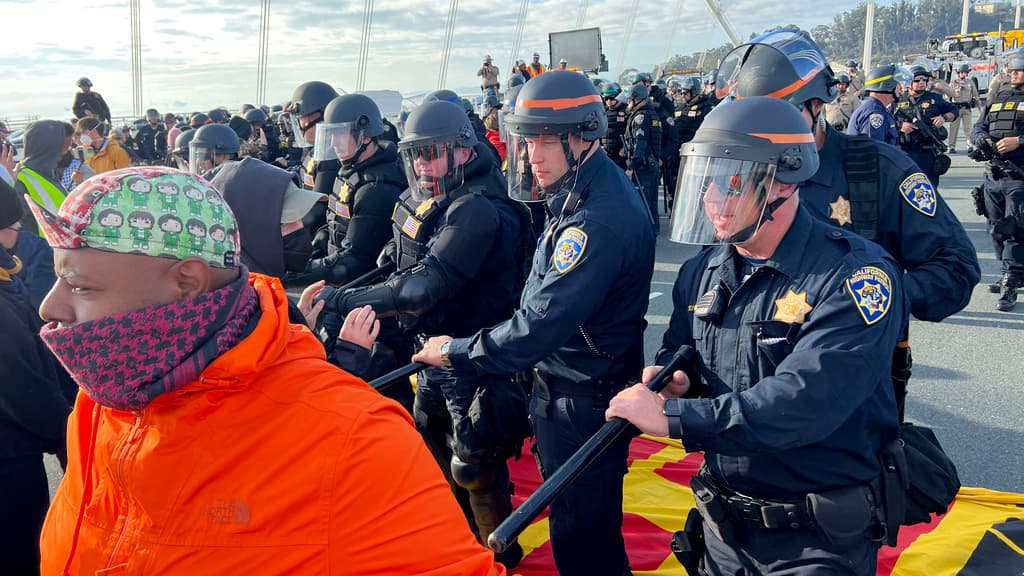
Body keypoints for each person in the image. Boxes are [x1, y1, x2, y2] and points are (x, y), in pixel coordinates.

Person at [28, 166, 508, 576]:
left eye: (80, 286)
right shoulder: (104, 401)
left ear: (188, 283)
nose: (51, 307)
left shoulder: (352, 441)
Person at [607, 95, 904, 576]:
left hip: (813, 538)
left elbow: (806, 399)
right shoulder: (704, 271)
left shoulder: (854, 276)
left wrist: (680, 418)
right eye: (707, 183)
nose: (712, 199)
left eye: (732, 182)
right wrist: (680, 379)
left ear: (784, 182)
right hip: (724, 526)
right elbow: (682, 348)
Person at [412, 71, 656, 576]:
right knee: (578, 528)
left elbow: (534, 330)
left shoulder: (596, 220)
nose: (531, 155)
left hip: (581, 399)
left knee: (584, 543)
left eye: (547, 140)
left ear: (583, 136)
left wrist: (453, 351)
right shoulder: (583, 192)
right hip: (570, 390)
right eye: (527, 140)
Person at [714, 29, 979, 419]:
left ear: (817, 105)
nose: (759, 135)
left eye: (776, 117)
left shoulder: (878, 170)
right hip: (746, 392)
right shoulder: (735, 169)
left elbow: (955, 268)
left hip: (849, 396)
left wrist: (868, 298)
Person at [315, 100, 532, 567]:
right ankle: (459, 540)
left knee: (473, 460)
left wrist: (338, 300)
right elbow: (391, 267)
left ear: (463, 152)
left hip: (475, 354)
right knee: (432, 440)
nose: (420, 165)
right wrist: (343, 290)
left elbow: (418, 289)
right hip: (431, 352)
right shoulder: (432, 197)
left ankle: (499, 552)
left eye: (431, 153)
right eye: (415, 154)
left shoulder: (477, 207)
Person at [0, 179, 72, 576]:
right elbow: (20, 383)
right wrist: (67, 432)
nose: (18, 236)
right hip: (8, 461)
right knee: (21, 552)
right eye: (12, 227)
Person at [286, 93, 406, 288]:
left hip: (360, 292)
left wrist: (286, 276)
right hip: (341, 280)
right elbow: (337, 225)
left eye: (340, 134)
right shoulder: (352, 170)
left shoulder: (376, 189)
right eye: (330, 134)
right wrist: (318, 243)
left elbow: (352, 262)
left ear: (365, 135)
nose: (333, 143)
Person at [970, 52, 1024, 311]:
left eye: (1019, 70)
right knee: (995, 229)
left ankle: (1010, 284)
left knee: (1014, 229)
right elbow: (978, 126)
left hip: (1018, 177)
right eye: (1012, 70)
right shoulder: (999, 97)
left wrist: (1019, 141)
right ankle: (1009, 271)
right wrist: (981, 138)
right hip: (992, 175)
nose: (1013, 74)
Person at [210, 157, 321, 278]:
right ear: (251, 230)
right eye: (284, 222)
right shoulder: (244, 295)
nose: (299, 226)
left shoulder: (248, 289)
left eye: (299, 219)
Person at [287, 81, 342, 238]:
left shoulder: (331, 155)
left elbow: (318, 207)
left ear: (322, 115)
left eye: (302, 118)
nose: (299, 124)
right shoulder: (315, 150)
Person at [893, 65, 958, 188]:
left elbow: (954, 111)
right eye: (917, 80)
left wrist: (943, 118)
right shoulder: (898, 100)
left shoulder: (934, 98)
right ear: (909, 82)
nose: (921, 82)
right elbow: (887, 121)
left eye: (924, 80)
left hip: (927, 152)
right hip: (905, 152)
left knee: (929, 190)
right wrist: (900, 126)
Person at [14, 120, 70, 234]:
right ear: (47, 147)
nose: (65, 151)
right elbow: (23, 229)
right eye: (61, 145)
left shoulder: (49, 174)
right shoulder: (19, 180)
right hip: (46, 249)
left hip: (62, 247)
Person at [623, 82, 662, 233]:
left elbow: (641, 144)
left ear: (638, 99)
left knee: (642, 202)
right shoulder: (652, 114)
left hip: (643, 166)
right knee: (651, 203)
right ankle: (652, 231)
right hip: (651, 165)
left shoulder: (640, 118)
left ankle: (645, 233)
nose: (628, 103)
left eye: (630, 100)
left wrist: (631, 166)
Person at [848, 64, 901, 146]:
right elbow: (874, 152)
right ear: (887, 85)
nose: (900, 87)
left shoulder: (877, 108)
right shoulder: (875, 113)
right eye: (898, 84)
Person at [941, 64, 980, 153]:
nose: (964, 74)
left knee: (968, 128)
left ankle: (970, 145)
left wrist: (980, 108)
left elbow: (975, 95)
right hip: (956, 108)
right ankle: (951, 146)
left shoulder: (970, 82)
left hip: (966, 108)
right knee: (954, 128)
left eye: (965, 73)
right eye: (962, 72)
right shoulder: (953, 83)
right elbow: (947, 96)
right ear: (958, 73)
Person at [601, 81, 629, 171]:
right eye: (606, 99)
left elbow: (631, 131)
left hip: (622, 154)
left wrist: (625, 149)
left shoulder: (627, 110)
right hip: (606, 153)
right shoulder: (603, 111)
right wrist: (601, 147)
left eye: (611, 98)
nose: (609, 102)